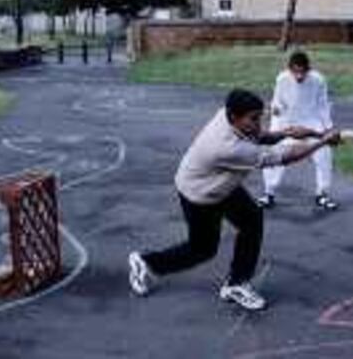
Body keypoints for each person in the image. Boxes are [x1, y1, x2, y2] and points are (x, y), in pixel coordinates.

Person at [128, 89, 341, 311]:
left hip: (218, 183)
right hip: (201, 193)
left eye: (260, 116)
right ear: (233, 117)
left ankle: (237, 283)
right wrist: (322, 142)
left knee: (252, 219)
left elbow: (260, 135)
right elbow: (283, 157)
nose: (259, 123)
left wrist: (304, 133)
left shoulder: (230, 116)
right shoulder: (226, 148)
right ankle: (147, 262)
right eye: (254, 118)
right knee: (202, 250)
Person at [257, 51, 338, 210]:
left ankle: (322, 194)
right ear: (290, 69)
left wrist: (328, 129)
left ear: (309, 69)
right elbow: (277, 102)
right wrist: (276, 111)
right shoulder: (282, 79)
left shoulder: (318, 80)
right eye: (296, 71)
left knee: (324, 154)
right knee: (274, 154)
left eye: (303, 72)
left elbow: (322, 106)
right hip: (287, 124)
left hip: (310, 123)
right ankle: (269, 194)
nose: (299, 76)